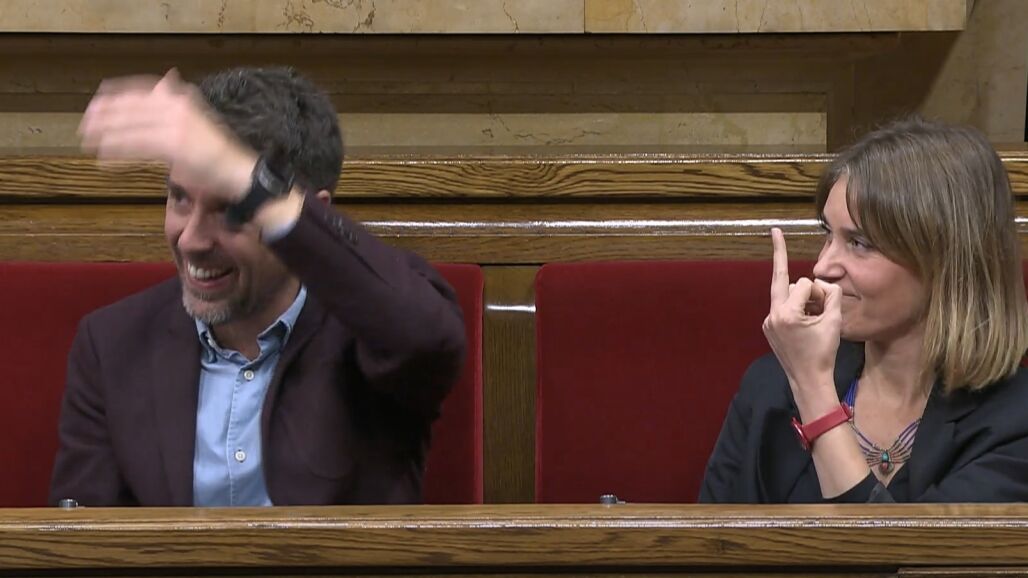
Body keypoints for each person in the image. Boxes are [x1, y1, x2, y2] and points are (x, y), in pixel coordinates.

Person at [49, 67, 467, 506]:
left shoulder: (371, 331)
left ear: (306, 213)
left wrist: (249, 181)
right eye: (180, 198)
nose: (191, 240)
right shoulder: (113, 343)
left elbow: (429, 338)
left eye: (231, 208)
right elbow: (84, 531)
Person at [700, 117, 1028, 503]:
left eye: (859, 243)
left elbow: (885, 542)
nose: (823, 267)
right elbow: (714, 538)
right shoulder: (771, 387)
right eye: (828, 234)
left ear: (946, 262)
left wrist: (815, 395)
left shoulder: (1016, 419)